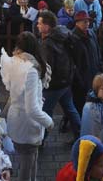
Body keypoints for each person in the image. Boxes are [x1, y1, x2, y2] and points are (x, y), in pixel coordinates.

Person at [0, 32, 53, 181]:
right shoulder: (31, 70)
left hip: (15, 119)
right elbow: (32, 109)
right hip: (27, 124)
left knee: (26, 160)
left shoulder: (14, 61)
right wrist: (48, 122)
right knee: (27, 166)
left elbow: (15, 90)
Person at [37, 10, 81, 139]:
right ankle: (80, 134)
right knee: (70, 109)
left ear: (47, 26)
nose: (38, 26)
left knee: (45, 112)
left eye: (40, 23)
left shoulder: (48, 43)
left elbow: (47, 67)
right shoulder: (63, 33)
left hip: (54, 84)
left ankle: (41, 139)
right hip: (66, 81)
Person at [70, 11, 102, 114]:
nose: (87, 24)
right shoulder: (73, 37)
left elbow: (97, 50)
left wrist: (99, 67)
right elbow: (73, 61)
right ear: (77, 23)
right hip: (82, 77)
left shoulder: (91, 33)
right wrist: (78, 78)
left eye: (88, 21)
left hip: (94, 72)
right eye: (84, 22)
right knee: (81, 103)